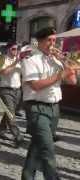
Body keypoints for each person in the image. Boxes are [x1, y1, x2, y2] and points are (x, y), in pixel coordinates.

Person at [21, 27, 77, 180]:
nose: (52, 44)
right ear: (39, 42)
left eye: (54, 40)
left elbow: (72, 81)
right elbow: (36, 85)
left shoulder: (56, 60)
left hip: (54, 108)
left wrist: (67, 65)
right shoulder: (30, 60)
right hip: (36, 107)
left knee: (37, 145)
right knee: (48, 149)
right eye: (49, 41)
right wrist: (60, 74)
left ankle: (27, 176)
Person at [0, 42, 24, 147]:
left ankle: (1, 131)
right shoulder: (3, 59)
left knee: (8, 112)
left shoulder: (19, 60)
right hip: (6, 90)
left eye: (17, 49)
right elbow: (4, 72)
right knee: (10, 114)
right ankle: (18, 136)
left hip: (17, 90)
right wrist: (15, 63)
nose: (15, 51)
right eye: (13, 49)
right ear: (8, 49)